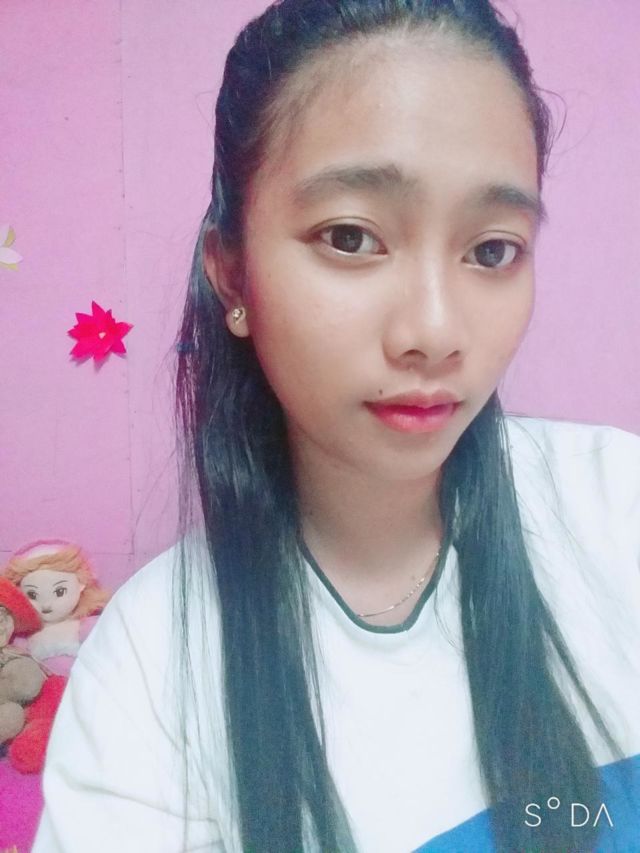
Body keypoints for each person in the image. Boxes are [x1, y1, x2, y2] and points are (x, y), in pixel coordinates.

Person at [33, 0, 640, 851]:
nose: (435, 331)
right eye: (351, 237)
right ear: (232, 273)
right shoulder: (154, 668)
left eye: (492, 249)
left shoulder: (616, 506)